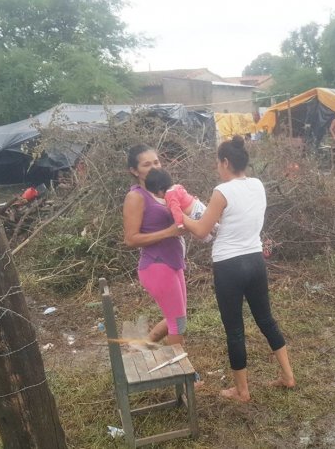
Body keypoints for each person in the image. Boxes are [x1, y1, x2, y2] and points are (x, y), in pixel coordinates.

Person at [182, 136, 295, 402]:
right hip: (255, 261)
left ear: (225, 162)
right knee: (266, 320)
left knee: (234, 330)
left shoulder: (222, 191)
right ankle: (288, 376)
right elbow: (236, 222)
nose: (217, 168)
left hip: (229, 266)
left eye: (218, 163)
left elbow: (200, 231)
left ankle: (242, 391)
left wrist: (180, 216)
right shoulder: (257, 185)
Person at [122, 144, 188, 347]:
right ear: (134, 171)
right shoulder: (136, 197)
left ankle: (141, 347)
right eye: (146, 164)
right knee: (178, 322)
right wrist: (169, 232)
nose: (154, 167)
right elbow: (131, 239)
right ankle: (184, 375)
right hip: (156, 266)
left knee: (178, 316)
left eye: (156, 162)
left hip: (173, 262)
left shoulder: (163, 191)